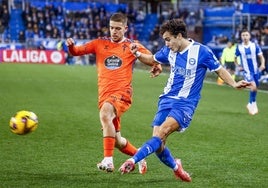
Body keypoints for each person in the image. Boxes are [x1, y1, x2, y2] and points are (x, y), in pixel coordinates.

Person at [118, 19, 251, 182]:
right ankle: (176, 167)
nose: (166, 44)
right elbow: (152, 59)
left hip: (186, 103)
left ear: (179, 36)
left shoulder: (202, 52)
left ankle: (133, 160)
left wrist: (234, 84)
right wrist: (137, 54)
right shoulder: (170, 51)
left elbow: (220, 70)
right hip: (166, 99)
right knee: (158, 145)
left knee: (162, 133)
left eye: (168, 39)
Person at [66, 13, 161, 173]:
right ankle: (139, 156)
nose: (114, 31)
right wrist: (70, 46)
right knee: (116, 141)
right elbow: (76, 51)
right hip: (104, 94)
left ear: (125, 28)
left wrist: (154, 64)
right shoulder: (99, 43)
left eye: (118, 28)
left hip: (122, 93)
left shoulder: (132, 45)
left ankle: (108, 161)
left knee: (105, 114)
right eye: (111, 28)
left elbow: (152, 58)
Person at [234, 29, 265, 115]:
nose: (245, 37)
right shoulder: (239, 47)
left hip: (256, 71)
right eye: (243, 35)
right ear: (241, 36)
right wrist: (238, 66)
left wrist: (262, 64)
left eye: (246, 35)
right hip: (247, 72)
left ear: (249, 36)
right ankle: (252, 104)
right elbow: (235, 58)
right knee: (253, 86)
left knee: (255, 88)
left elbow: (261, 57)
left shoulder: (254, 46)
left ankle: (251, 103)